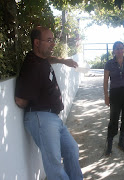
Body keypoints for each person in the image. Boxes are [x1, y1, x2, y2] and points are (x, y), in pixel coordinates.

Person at [15, 26, 83, 180]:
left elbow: (49, 58)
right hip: (41, 117)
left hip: (53, 118)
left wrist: (64, 61)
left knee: (71, 150)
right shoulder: (32, 65)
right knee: (54, 165)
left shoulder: (40, 58)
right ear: (37, 42)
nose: (53, 44)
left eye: (53, 40)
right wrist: (36, 107)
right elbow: (20, 100)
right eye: (49, 40)